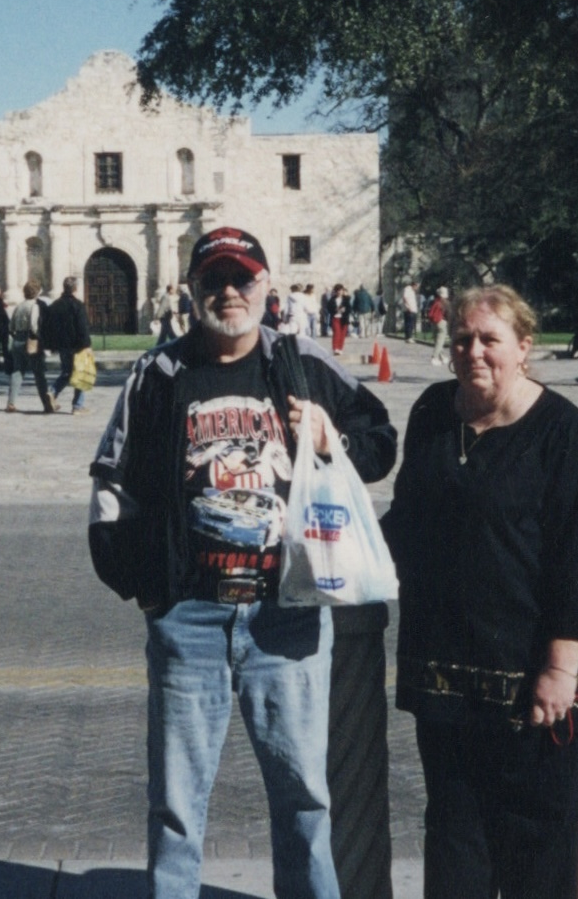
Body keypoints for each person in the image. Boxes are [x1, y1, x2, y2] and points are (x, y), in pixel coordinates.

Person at [88, 226, 397, 899]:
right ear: (192, 290)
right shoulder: (159, 374)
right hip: (190, 618)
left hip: (285, 614)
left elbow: (380, 442)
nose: (229, 293)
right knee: (176, 804)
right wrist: (146, 591)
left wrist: (328, 435)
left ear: (266, 286)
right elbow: (113, 485)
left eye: (243, 279)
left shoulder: (302, 360)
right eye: (214, 281)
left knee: (305, 798)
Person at [381, 285, 578, 899]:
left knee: (536, 847)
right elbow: (407, 520)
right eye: (463, 339)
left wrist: (560, 669)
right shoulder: (434, 412)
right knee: (456, 838)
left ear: (523, 347)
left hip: (534, 679)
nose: (475, 352)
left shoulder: (560, 431)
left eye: (490, 339)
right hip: (448, 677)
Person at [44, 276, 93, 415]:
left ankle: (52, 392)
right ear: (76, 288)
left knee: (67, 372)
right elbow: (82, 327)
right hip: (77, 345)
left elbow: (49, 327)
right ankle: (78, 406)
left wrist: (52, 344)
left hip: (63, 345)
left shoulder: (55, 305)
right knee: (81, 373)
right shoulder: (77, 305)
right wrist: (87, 345)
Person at [7, 280, 56, 413]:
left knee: (17, 372)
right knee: (39, 373)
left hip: (17, 340)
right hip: (31, 341)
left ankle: (11, 402)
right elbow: (34, 326)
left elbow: (11, 326)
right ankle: (47, 404)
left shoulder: (19, 306)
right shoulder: (34, 306)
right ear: (37, 292)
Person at [323, 284, 351, 356]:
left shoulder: (346, 299)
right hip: (335, 318)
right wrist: (335, 310)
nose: (339, 292)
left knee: (342, 334)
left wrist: (344, 310)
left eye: (340, 290)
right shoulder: (332, 300)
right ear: (335, 291)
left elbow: (349, 309)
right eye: (337, 291)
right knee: (337, 333)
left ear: (342, 291)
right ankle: (335, 348)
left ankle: (340, 348)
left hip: (344, 318)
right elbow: (329, 308)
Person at [427, 286, 450, 365]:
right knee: (440, 341)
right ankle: (434, 357)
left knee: (437, 341)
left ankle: (442, 356)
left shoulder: (435, 301)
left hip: (434, 322)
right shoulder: (445, 303)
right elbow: (448, 314)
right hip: (441, 322)